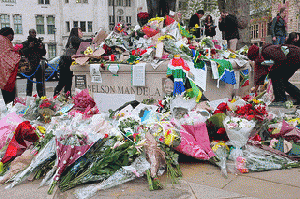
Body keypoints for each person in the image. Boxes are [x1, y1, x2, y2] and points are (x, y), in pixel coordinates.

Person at [247, 43, 300, 108]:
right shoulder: (262, 53)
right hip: (291, 58)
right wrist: (256, 87)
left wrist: (273, 69)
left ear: (256, 55)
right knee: (281, 80)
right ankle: (292, 97)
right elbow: (261, 72)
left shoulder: (267, 51)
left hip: (293, 57)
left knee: (277, 77)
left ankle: (280, 100)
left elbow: (281, 58)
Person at [54, 27, 91, 96]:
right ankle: (56, 95)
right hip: (65, 63)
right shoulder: (74, 38)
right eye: (80, 32)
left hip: (68, 63)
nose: (82, 33)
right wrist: (91, 40)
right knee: (63, 81)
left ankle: (67, 96)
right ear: (76, 32)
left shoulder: (73, 39)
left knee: (68, 82)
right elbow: (83, 42)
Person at [21, 29, 46, 97]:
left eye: (35, 33)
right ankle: (28, 96)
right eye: (32, 33)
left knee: (39, 81)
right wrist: (29, 47)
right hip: (29, 64)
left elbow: (43, 53)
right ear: (29, 33)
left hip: (38, 64)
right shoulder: (26, 43)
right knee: (29, 82)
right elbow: (22, 52)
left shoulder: (38, 42)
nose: (34, 34)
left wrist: (41, 48)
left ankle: (41, 96)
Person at [0, 27, 21, 104]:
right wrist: (18, 54)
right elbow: (8, 55)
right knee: (9, 94)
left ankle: (9, 105)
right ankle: (10, 107)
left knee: (5, 92)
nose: (12, 37)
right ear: (8, 35)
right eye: (12, 35)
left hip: (2, 72)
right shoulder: (4, 41)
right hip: (6, 70)